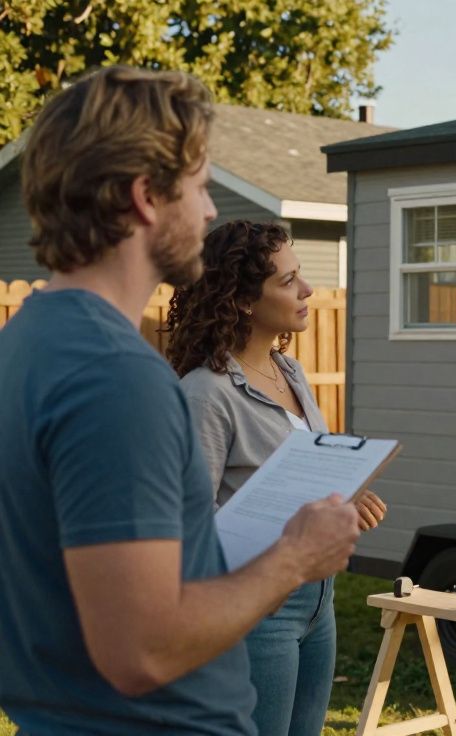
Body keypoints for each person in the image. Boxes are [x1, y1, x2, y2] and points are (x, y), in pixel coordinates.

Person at [0, 67, 360, 735]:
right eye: (196, 186)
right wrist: (296, 557)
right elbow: (142, 650)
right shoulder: (116, 376)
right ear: (145, 198)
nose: (207, 210)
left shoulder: (26, 341)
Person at [164, 220, 387, 736]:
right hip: (257, 612)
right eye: (288, 282)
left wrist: (345, 500)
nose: (308, 290)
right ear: (243, 299)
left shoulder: (292, 372)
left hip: (319, 603)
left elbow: (296, 481)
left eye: (301, 275)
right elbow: (189, 530)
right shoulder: (206, 394)